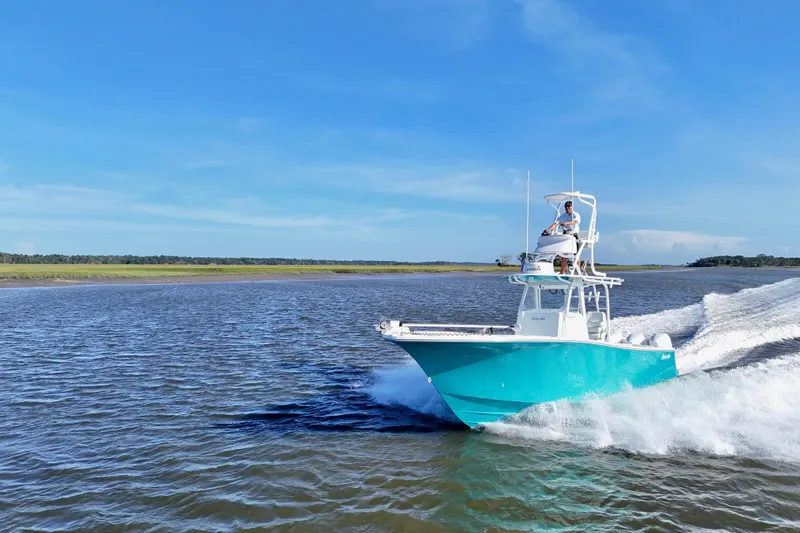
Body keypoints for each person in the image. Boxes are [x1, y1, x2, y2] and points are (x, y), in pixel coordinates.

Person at [543, 200, 581, 274]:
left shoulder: (576, 214)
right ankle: (562, 272)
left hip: (573, 235)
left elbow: (575, 221)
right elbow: (555, 224)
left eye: (569, 206)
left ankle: (578, 272)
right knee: (564, 255)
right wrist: (547, 230)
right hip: (565, 236)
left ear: (572, 207)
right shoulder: (563, 216)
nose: (567, 208)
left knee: (576, 254)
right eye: (566, 207)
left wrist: (566, 223)